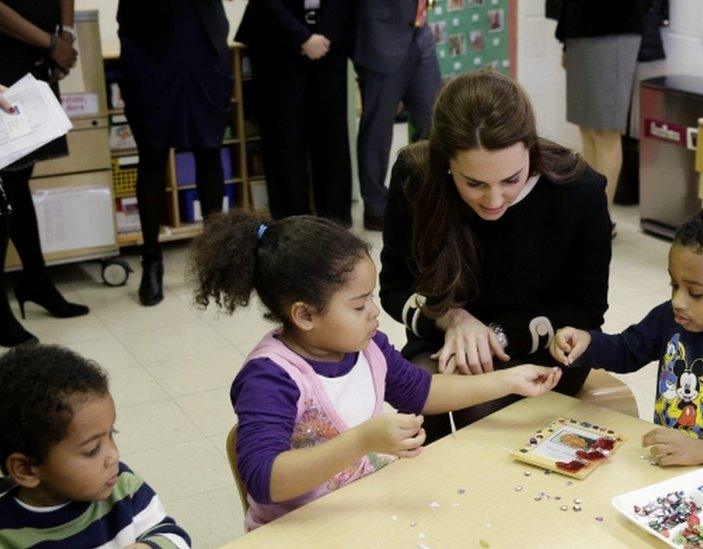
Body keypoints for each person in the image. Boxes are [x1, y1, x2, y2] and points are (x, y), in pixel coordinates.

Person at [189, 210, 562, 530]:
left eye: (371, 297)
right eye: (358, 305)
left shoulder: (366, 346)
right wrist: (362, 441)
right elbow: (264, 479)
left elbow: (422, 391)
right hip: (301, 528)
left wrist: (508, 379)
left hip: (363, 508)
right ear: (304, 314)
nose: (374, 312)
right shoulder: (271, 377)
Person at [379, 70, 613, 439]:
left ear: (530, 150)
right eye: (473, 183)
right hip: (442, 341)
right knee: (419, 397)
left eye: (511, 179)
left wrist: (493, 337)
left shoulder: (578, 190)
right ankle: (435, 496)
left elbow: (585, 310)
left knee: (485, 410)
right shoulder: (415, 176)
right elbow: (394, 287)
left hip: (543, 350)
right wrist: (450, 318)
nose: (493, 200)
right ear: (445, 162)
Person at [551, 202, 703, 465]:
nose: (678, 301)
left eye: (695, 293)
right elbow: (626, 350)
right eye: (674, 284)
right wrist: (587, 342)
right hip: (667, 468)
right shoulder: (669, 318)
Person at [0, 345, 191, 547]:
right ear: (26, 469)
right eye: (92, 450)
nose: (114, 456)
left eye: (112, 434)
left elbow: (174, 537)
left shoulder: (123, 487)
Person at [117, 0, 233, 306]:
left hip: (203, 38)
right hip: (146, 42)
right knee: (152, 155)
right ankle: (151, 261)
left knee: (209, 149)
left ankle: (215, 260)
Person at [0, 0, 88, 348]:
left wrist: (63, 37)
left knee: (19, 182)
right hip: (10, 51)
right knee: (2, 185)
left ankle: (36, 280)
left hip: (36, 54)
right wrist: (52, 44)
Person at [235, 0, 353, 223]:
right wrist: (302, 38)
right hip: (276, 46)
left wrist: (325, 35)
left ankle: (335, 219)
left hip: (330, 47)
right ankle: (291, 221)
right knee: (283, 136)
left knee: (331, 135)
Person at [351, 0, 442, 231]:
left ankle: (424, 195)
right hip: (380, 34)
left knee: (434, 120)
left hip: (420, 31)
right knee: (377, 130)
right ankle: (376, 207)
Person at [555, 0, 643, 213]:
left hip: (613, 25)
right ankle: (588, 214)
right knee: (587, 129)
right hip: (578, 27)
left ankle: (600, 218)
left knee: (605, 131)